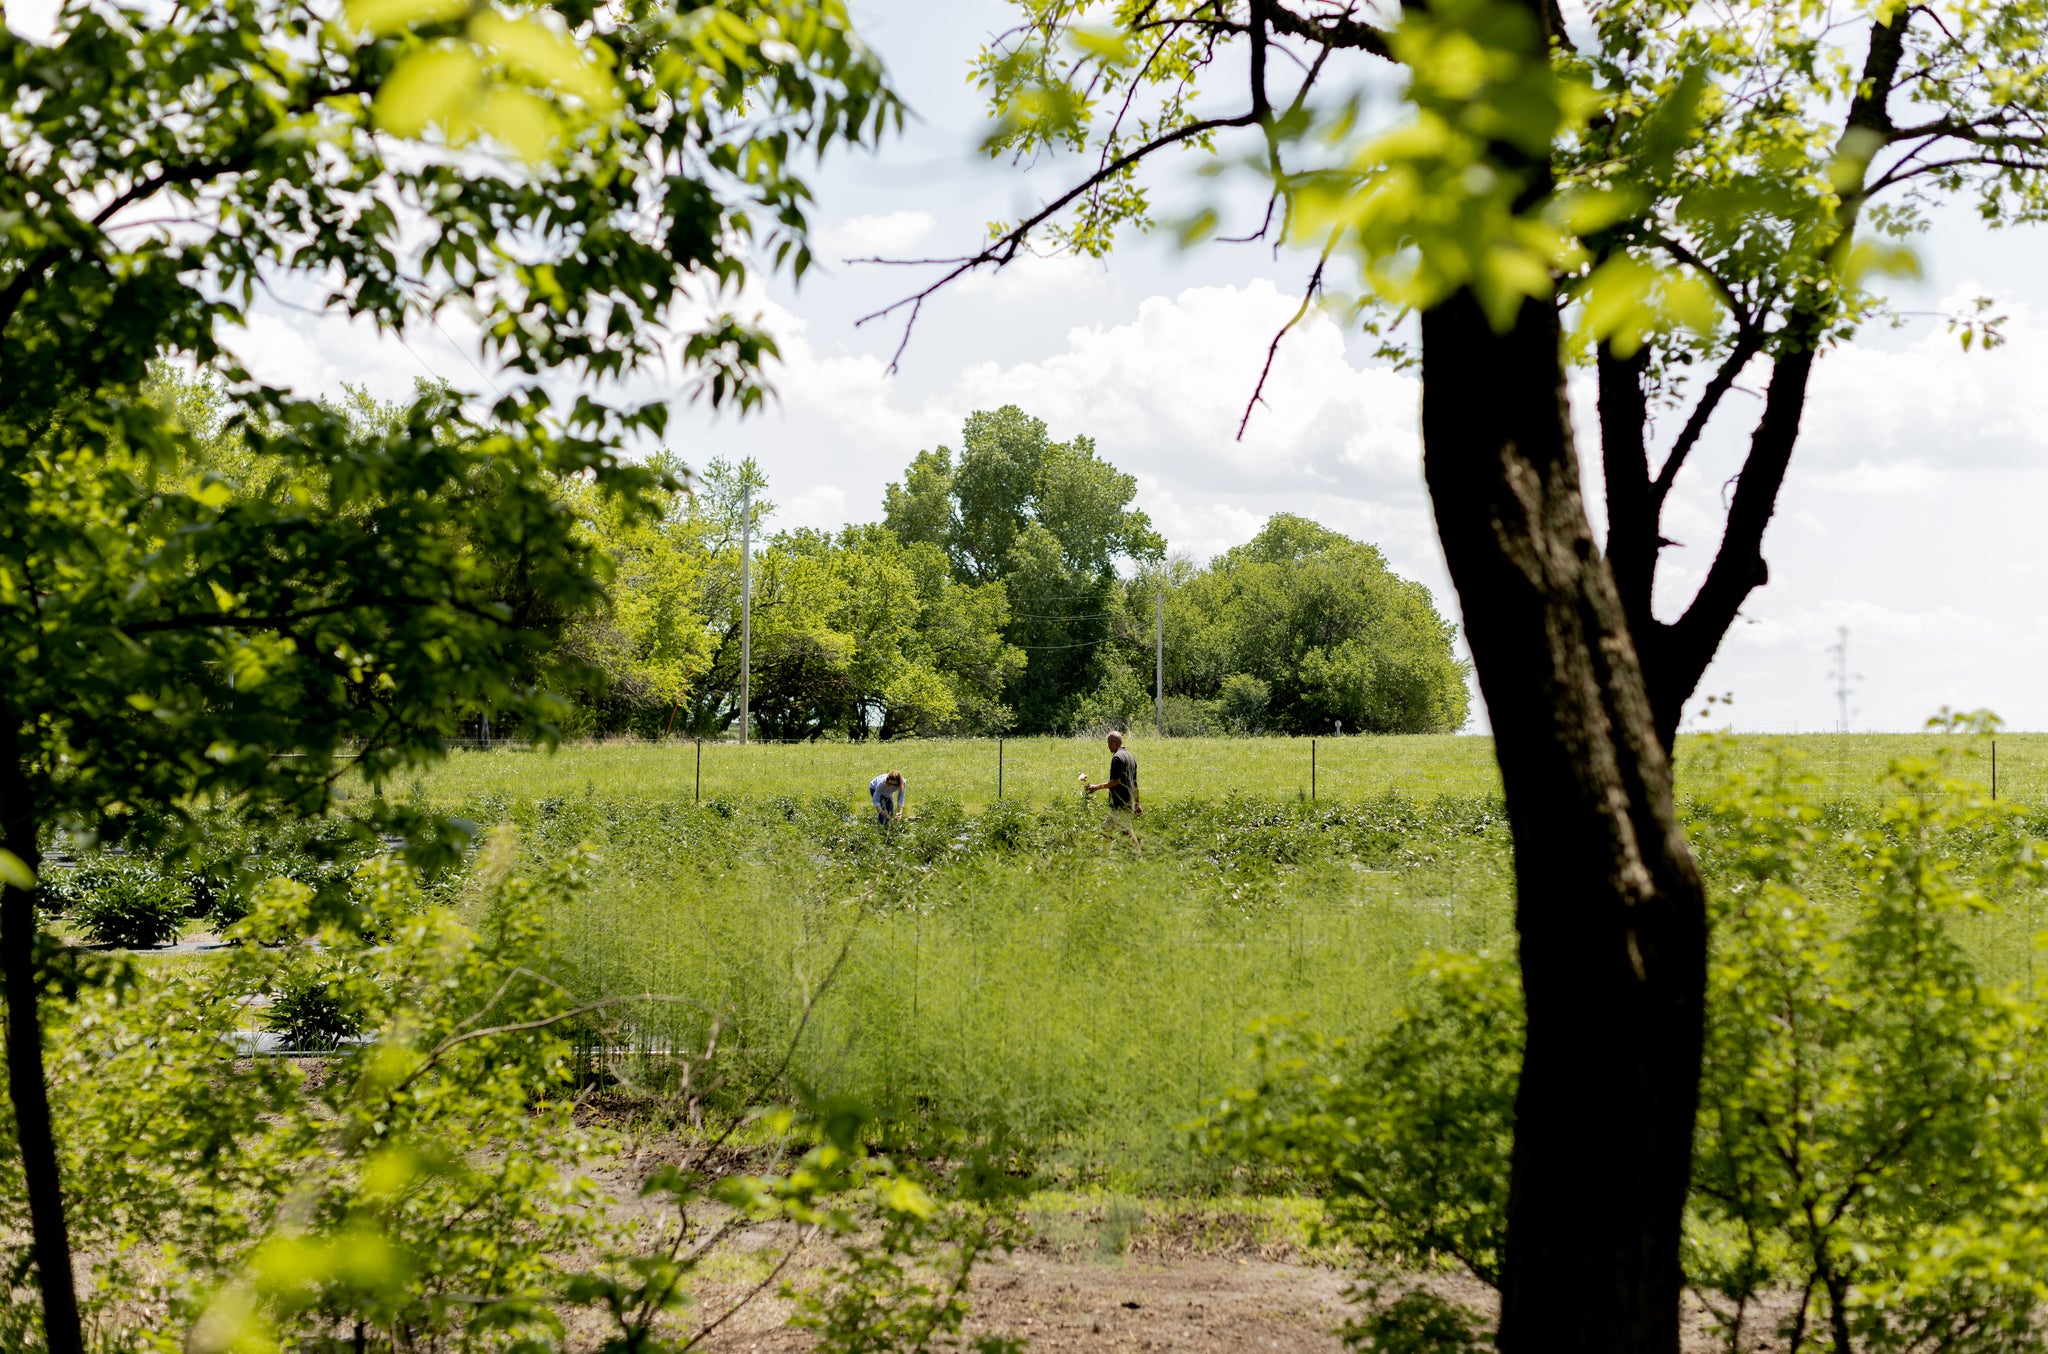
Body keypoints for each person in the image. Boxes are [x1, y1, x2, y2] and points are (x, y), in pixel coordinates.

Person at [1081, 731, 1142, 856]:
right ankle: (1104, 858)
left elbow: (1117, 781)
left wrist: (1096, 787)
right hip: (1126, 801)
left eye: (1108, 743)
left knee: (1127, 832)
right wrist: (1137, 803)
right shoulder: (1130, 757)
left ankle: (1139, 858)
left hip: (1120, 802)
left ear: (1112, 743)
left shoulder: (1117, 758)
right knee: (1106, 828)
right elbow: (1135, 783)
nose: (1108, 746)